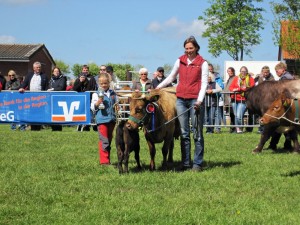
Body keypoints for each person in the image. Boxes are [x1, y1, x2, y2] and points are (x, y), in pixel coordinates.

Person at [156, 36, 208, 172]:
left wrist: (199, 100)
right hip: (181, 100)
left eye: (191, 48)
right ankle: (185, 163)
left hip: (195, 101)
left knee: (197, 133)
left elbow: (204, 84)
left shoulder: (203, 63)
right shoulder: (180, 60)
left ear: (196, 48)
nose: (188, 51)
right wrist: (158, 88)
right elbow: (171, 77)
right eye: (186, 48)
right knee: (184, 133)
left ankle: (197, 164)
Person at [90, 73, 117, 165]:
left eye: (105, 83)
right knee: (104, 140)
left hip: (112, 120)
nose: (104, 85)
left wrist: (118, 108)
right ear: (98, 84)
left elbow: (116, 104)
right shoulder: (96, 94)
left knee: (109, 140)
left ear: (109, 83)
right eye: (102, 84)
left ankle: (107, 159)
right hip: (102, 120)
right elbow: (93, 107)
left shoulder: (113, 93)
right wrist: (98, 102)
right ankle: (104, 162)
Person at [268, 62, 294, 150]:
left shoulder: (286, 78)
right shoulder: (288, 77)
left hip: (286, 105)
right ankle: (283, 145)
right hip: (288, 105)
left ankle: (275, 145)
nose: (276, 72)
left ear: (282, 69)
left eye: (277, 71)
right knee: (282, 126)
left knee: (280, 125)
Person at [19, 61, 49, 131]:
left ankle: (38, 128)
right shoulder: (29, 75)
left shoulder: (44, 76)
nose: (38, 68)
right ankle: (32, 128)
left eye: (39, 67)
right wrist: (21, 88)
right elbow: (24, 83)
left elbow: (47, 87)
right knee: (32, 113)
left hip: (40, 98)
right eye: (37, 67)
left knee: (39, 113)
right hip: (31, 98)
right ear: (33, 68)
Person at [229, 66, 255, 134]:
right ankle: (238, 129)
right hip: (234, 99)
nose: (243, 72)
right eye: (241, 71)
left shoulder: (250, 79)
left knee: (239, 115)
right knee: (236, 115)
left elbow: (251, 87)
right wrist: (238, 89)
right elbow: (231, 87)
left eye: (244, 71)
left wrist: (240, 89)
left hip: (243, 99)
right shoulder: (236, 78)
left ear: (246, 72)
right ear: (240, 72)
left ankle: (240, 128)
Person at [47, 67, 67, 131]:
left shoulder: (62, 78)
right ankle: (53, 128)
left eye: (57, 71)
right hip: (51, 99)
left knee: (58, 114)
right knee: (52, 114)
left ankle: (58, 128)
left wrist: (53, 89)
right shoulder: (51, 79)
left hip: (59, 99)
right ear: (53, 72)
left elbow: (61, 87)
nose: (56, 72)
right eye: (55, 71)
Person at [208, 64, 224, 133]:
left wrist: (213, 91)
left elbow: (221, 87)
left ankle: (217, 129)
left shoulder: (217, 77)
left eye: (211, 69)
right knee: (209, 115)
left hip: (217, 98)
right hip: (208, 100)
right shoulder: (203, 78)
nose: (210, 70)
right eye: (209, 69)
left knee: (217, 114)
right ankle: (209, 129)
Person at [224, 67, 236, 133]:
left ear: (233, 71)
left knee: (233, 114)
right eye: (228, 71)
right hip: (227, 100)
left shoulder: (235, 78)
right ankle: (232, 127)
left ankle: (234, 128)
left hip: (232, 99)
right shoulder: (229, 79)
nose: (229, 72)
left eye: (230, 71)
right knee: (230, 115)